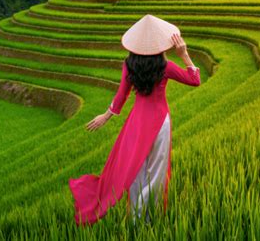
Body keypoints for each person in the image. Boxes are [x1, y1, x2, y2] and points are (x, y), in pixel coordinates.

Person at [68, 14, 201, 225]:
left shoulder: (129, 65)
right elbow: (195, 80)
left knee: (136, 169)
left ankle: (136, 218)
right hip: (160, 123)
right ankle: (152, 218)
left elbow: (122, 95)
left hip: (136, 122)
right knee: (156, 171)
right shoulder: (165, 67)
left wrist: (107, 115)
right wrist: (184, 55)